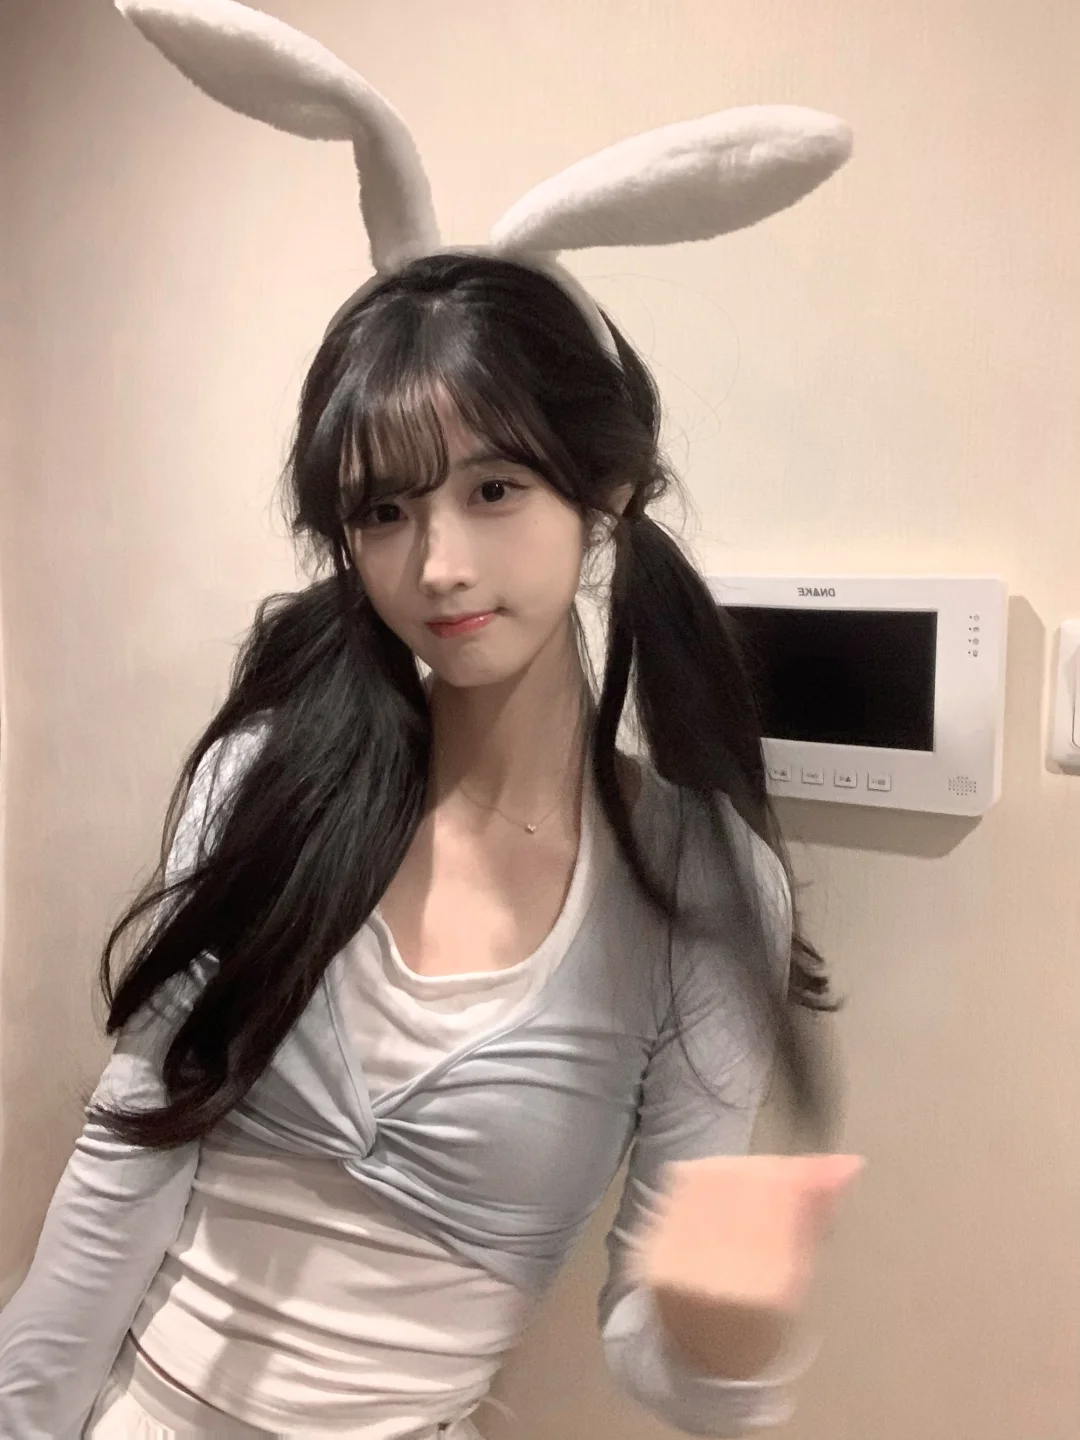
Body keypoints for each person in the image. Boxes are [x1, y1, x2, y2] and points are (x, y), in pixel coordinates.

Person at [0, 5, 864, 1438]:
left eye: (493, 490)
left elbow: (653, 1347)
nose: (440, 565)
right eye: (385, 511)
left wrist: (724, 1328)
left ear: (604, 495)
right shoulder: (266, 782)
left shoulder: (706, 884)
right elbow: (126, 1157)